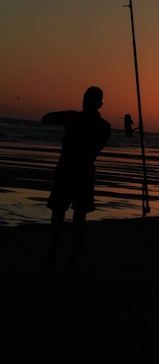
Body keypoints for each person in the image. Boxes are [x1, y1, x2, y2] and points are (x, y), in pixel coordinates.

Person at [42, 86, 111, 272]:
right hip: (85, 174)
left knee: (58, 215)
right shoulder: (105, 127)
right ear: (100, 104)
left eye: (85, 99)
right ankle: (73, 259)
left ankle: (52, 258)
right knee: (79, 218)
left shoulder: (74, 118)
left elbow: (46, 118)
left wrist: (69, 116)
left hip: (66, 172)